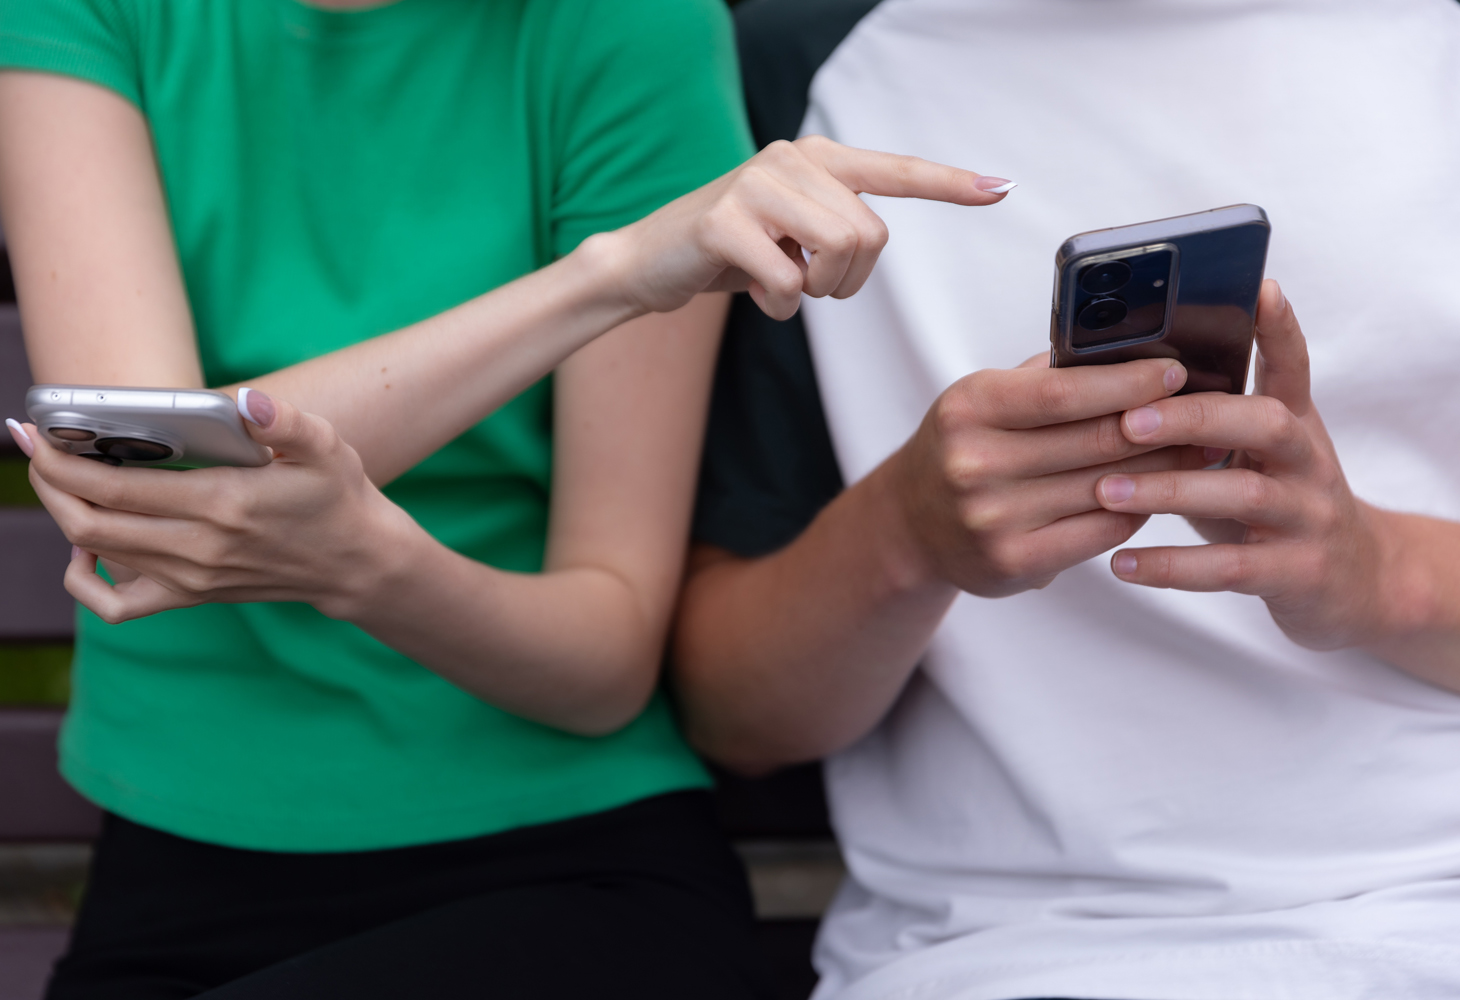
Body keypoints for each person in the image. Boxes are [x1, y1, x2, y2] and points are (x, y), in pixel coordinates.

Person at [0, 1, 1009, 996]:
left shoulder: (628, 28)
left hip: (565, 873)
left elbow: (603, 664)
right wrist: (607, 279)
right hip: (173, 868)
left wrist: (374, 568)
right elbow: (147, 488)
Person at [674, 0, 1460, 998]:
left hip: (1456, 916)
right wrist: (906, 533)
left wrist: (1380, 572)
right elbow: (736, 718)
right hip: (999, 954)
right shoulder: (805, 75)